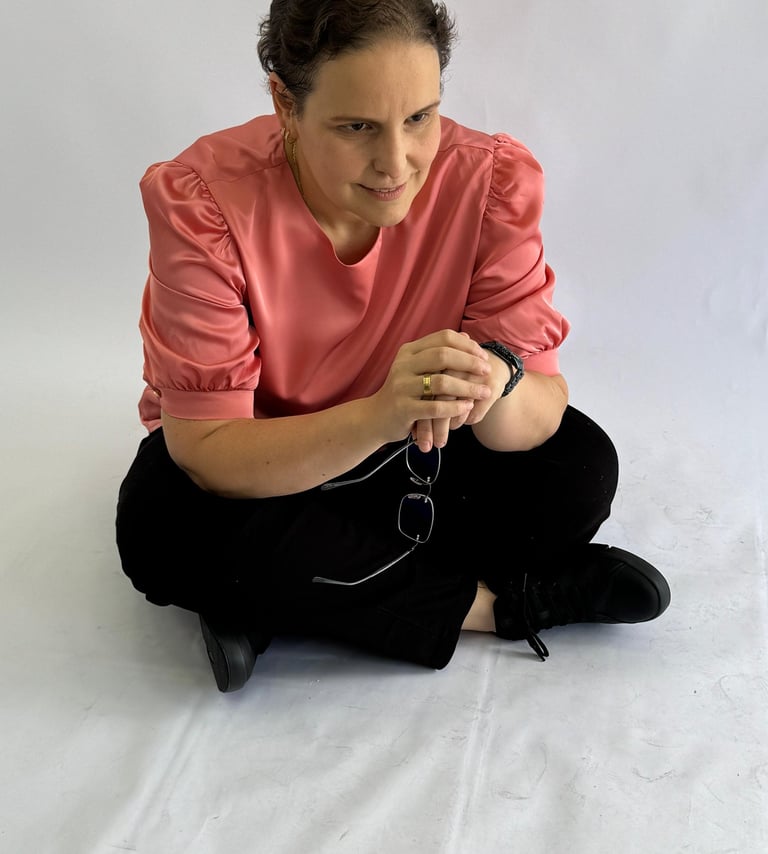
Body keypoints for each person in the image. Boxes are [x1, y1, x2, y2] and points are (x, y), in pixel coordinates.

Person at [116, 0, 670, 692]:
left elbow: (542, 410)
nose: (397, 162)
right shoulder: (206, 202)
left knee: (579, 468)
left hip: (412, 457)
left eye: (420, 118)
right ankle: (506, 605)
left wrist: (492, 380)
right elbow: (204, 448)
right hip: (267, 463)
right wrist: (377, 413)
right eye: (357, 127)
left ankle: (278, 600)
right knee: (161, 522)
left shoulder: (488, 181)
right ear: (285, 102)